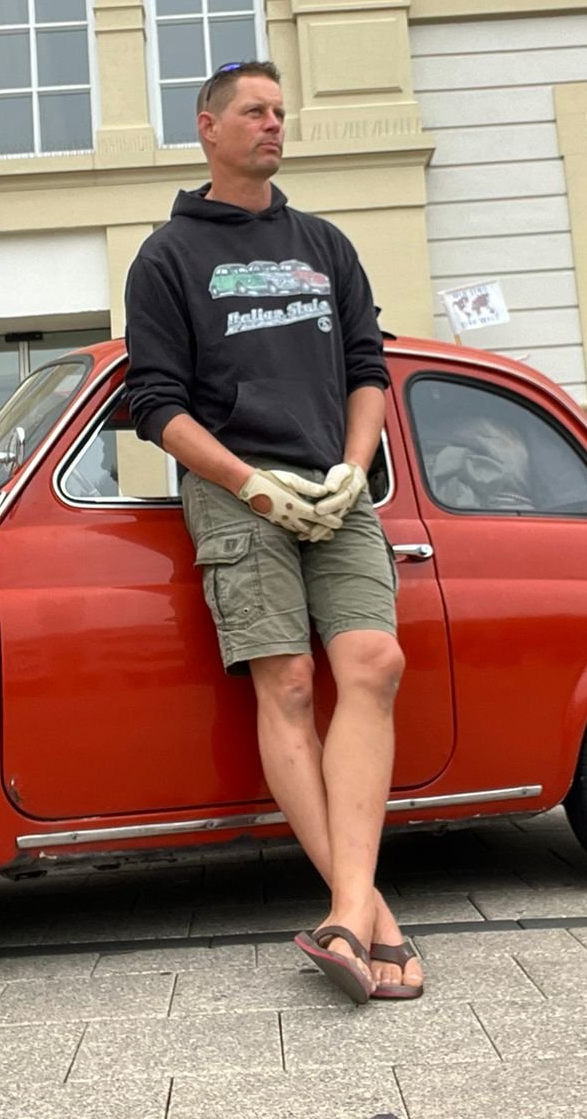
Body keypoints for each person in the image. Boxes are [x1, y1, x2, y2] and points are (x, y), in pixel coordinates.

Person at [122, 60, 420, 1004]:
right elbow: (155, 407)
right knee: (288, 682)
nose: (273, 125)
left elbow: (369, 367)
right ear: (206, 127)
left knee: (373, 664)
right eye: (254, 111)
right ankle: (369, 918)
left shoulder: (325, 244)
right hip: (236, 492)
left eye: (281, 112)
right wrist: (251, 485)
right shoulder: (166, 257)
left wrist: (352, 466)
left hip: (336, 492)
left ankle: (346, 907)